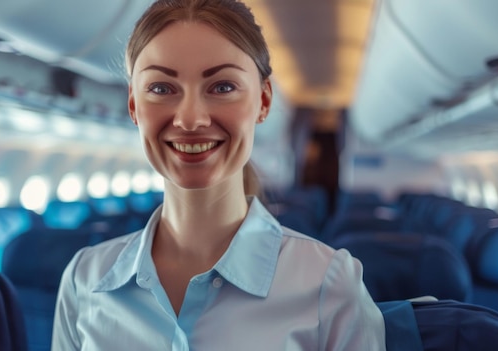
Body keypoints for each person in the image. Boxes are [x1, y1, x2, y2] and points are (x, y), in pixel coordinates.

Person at [51, 0, 386, 349]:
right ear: (134, 105)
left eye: (222, 87)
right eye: (162, 89)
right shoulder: (84, 281)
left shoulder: (329, 286)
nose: (190, 119)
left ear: (264, 100)